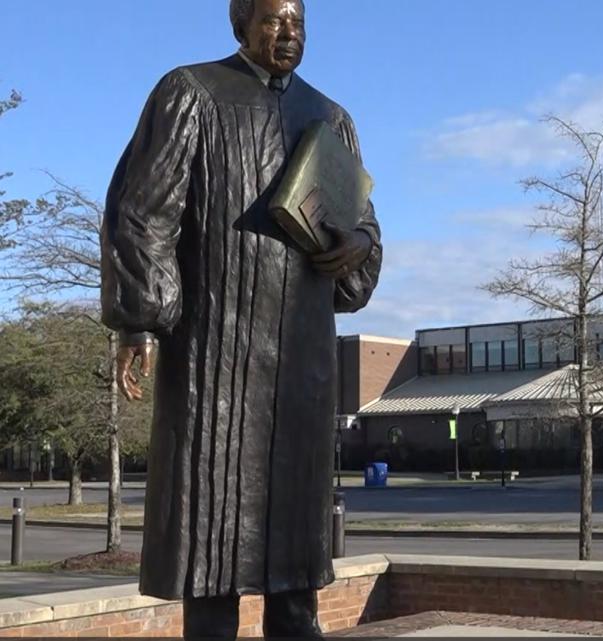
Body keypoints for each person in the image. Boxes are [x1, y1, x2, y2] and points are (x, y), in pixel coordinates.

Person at [100, 0, 382, 637]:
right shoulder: (191, 93)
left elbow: (365, 229)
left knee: (297, 557)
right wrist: (139, 321)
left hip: (303, 362)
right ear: (241, 23)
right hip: (214, 357)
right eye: (275, 19)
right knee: (213, 547)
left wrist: (360, 245)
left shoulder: (331, 118)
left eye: (299, 22)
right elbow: (144, 213)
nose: (288, 33)